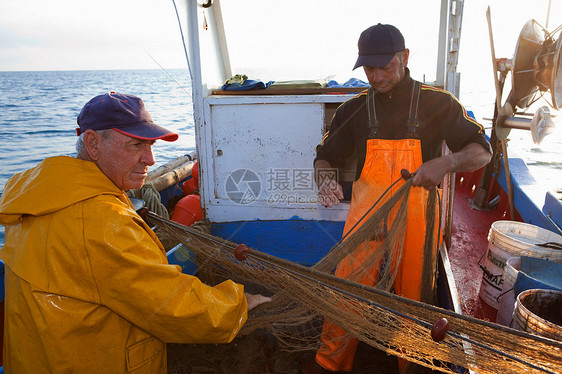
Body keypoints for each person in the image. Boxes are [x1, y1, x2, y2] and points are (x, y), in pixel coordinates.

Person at [0, 92, 271, 373]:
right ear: (93, 143)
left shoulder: (37, 196)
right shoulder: (103, 222)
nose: (151, 159)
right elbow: (170, 307)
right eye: (136, 145)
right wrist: (237, 303)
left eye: (151, 145)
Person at [303, 24, 492, 374]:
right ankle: (330, 364)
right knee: (348, 289)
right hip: (366, 218)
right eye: (369, 69)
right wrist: (324, 177)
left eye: (384, 66)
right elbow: (325, 154)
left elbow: (482, 152)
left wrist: (447, 162)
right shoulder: (353, 110)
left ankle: (411, 364)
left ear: (404, 58)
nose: (376, 76)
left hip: (418, 218)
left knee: (414, 298)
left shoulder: (440, 104)